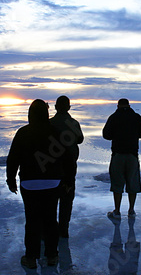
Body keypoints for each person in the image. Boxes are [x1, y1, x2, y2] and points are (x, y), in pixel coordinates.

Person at [6, 99, 64, 269]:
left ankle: (31, 257)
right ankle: (52, 255)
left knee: (32, 220)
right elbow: (66, 159)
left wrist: (11, 179)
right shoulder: (56, 132)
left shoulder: (23, 132)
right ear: (46, 113)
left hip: (29, 183)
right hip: (53, 183)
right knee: (50, 219)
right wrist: (67, 180)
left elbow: (13, 159)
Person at [103, 98, 141, 220]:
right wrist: (133, 134)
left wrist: (117, 134)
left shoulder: (113, 117)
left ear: (117, 106)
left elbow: (106, 135)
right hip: (132, 155)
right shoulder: (136, 117)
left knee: (117, 183)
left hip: (118, 154)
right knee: (132, 182)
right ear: (129, 105)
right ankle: (131, 210)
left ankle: (117, 211)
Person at [49, 95, 84, 238]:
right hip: (69, 168)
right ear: (69, 107)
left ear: (56, 107)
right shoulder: (73, 123)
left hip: (51, 167)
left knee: (50, 200)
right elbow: (80, 139)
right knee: (67, 200)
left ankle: (50, 229)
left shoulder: (49, 123)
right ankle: (64, 229)